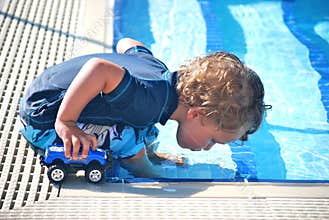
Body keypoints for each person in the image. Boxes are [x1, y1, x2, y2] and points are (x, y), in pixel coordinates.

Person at [19, 38, 267, 177]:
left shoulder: (158, 75)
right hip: (44, 122)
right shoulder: (147, 101)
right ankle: (144, 166)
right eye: (213, 139)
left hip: (43, 93)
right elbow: (99, 69)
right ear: (197, 113)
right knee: (132, 137)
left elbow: (127, 44)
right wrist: (67, 122)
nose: (207, 148)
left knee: (145, 126)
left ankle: (149, 155)